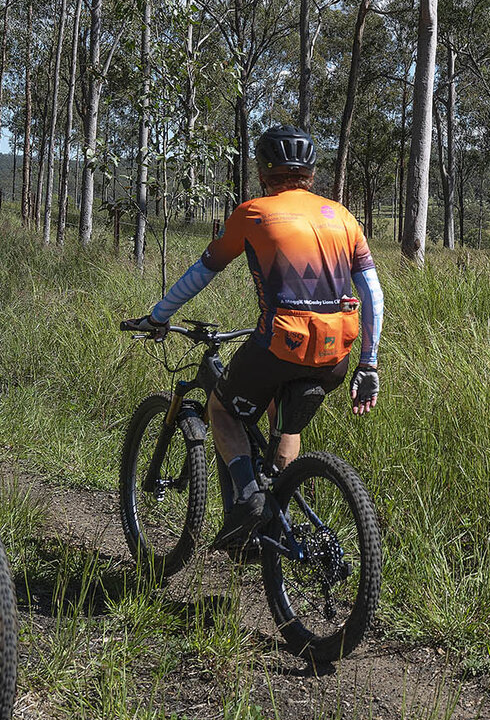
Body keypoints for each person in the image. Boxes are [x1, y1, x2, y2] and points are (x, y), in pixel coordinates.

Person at [128, 124, 383, 550]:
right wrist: (369, 363)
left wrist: (158, 316)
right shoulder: (342, 216)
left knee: (222, 409)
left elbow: (201, 273)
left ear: (263, 172)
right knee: (283, 418)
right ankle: (275, 514)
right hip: (336, 354)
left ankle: (248, 500)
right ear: (312, 174)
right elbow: (371, 293)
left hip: (280, 344)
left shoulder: (253, 212)